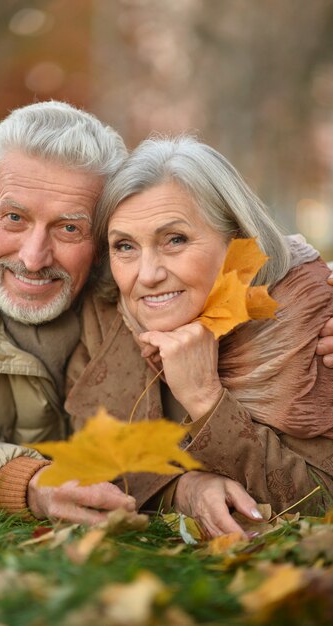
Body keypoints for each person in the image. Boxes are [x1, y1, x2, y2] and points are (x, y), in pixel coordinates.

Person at [65, 135, 333, 537]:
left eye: (175, 240)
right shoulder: (109, 313)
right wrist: (182, 489)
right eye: (125, 246)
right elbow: (88, 448)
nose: (147, 274)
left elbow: (322, 501)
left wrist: (206, 399)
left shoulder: (306, 321)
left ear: (237, 240)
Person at [0, 100, 138, 524]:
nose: (34, 258)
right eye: (15, 218)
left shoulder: (135, 280)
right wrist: (32, 483)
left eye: (69, 228)